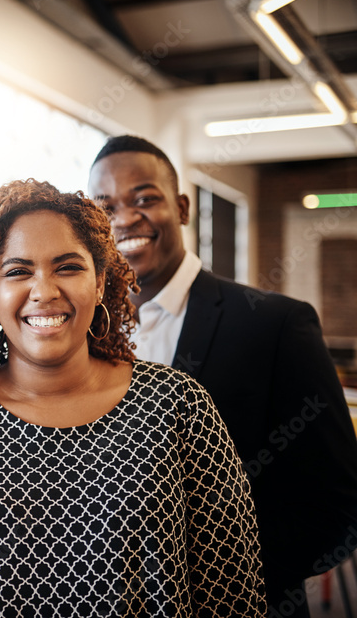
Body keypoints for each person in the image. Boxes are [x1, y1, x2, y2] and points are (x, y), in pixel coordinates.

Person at [0, 179, 266, 616]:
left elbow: (233, 593)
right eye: (17, 271)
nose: (45, 291)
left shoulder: (177, 406)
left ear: (100, 280)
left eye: (68, 267)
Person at [88, 135, 357, 617]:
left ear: (182, 208)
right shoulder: (83, 335)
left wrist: (219, 584)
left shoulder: (273, 324)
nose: (124, 219)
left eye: (144, 198)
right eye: (105, 207)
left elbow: (335, 506)